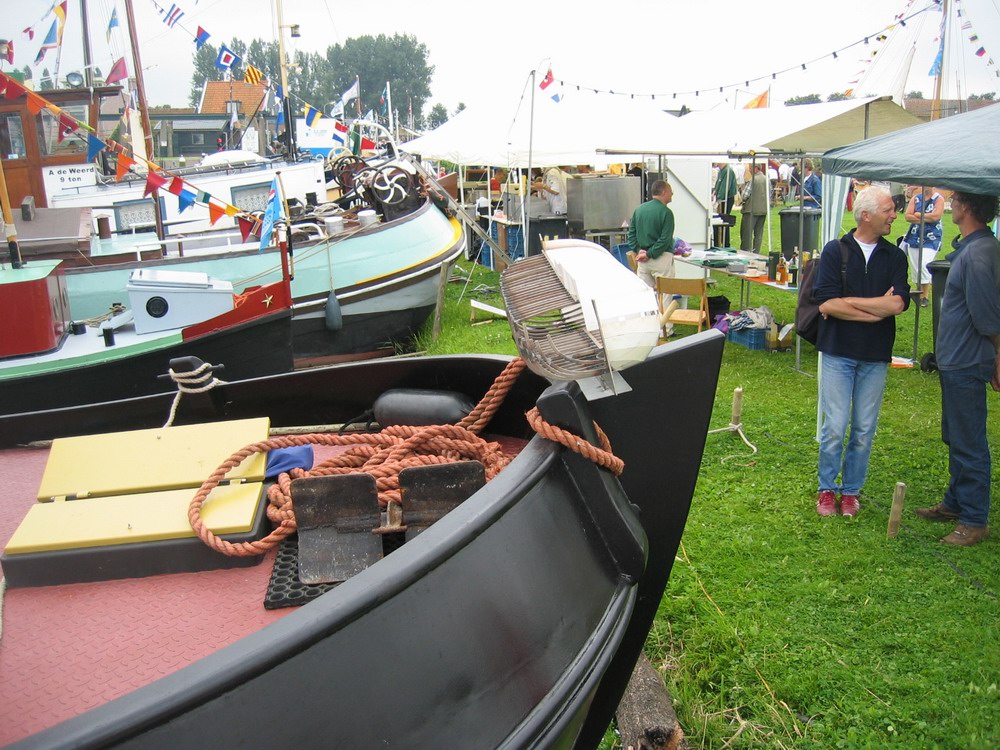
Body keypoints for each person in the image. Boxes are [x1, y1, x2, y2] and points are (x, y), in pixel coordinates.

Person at [814, 186, 910, 517]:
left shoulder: (895, 256)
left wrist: (849, 301)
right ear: (865, 215)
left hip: (875, 354)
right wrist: (875, 308)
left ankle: (851, 491)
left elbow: (897, 304)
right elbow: (826, 303)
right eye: (888, 210)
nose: (894, 215)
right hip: (838, 351)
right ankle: (827, 489)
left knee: (864, 428)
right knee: (835, 426)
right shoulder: (835, 251)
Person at [914, 192, 1000, 546]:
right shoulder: (973, 247)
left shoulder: (980, 253)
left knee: (969, 440)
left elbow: (987, 316)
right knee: (956, 434)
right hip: (955, 359)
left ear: (966, 207)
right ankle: (955, 502)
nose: (951, 205)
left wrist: (998, 354)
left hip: (966, 360)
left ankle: (974, 520)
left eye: (956, 201)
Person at [627, 179, 677, 295]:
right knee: (665, 295)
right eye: (670, 191)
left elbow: (631, 236)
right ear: (664, 192)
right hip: (661, 258)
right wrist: (649, 254)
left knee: (645, 297)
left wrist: (639, 251)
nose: (672, 194)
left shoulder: (639, 210)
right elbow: (665, 239)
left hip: (642, 259)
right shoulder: (666, 212)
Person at [900, 185, 944, 307]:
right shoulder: (916, 198)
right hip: (915, 236)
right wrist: (925, 217)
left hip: (932, 237)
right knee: (916, 266)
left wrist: (918, 214)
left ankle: (925, 295)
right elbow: (908, 216)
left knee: (924, 263)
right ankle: (920, 295)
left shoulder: (938, 199)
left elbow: (936, 216)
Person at [740, 165, 768, 252]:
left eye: (750, 168)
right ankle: (756, 252)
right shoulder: (766, 179)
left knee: (747, 234)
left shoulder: (753, 180)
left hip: (750, 210)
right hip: (763, 210)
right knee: (758, 234)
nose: (749, 170)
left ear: (755, 167)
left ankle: (746, 252)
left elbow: (744, 195)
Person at [714, 161, 738, 247]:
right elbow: (718, 185)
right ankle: (718, 242)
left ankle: (725, 243)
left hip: (726, 199)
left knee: (724, 221)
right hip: (721, 199)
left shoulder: (728, 171)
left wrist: (718, 199)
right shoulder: (721, 171)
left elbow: (724, 188)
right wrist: (714, 193)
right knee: (720, 221)